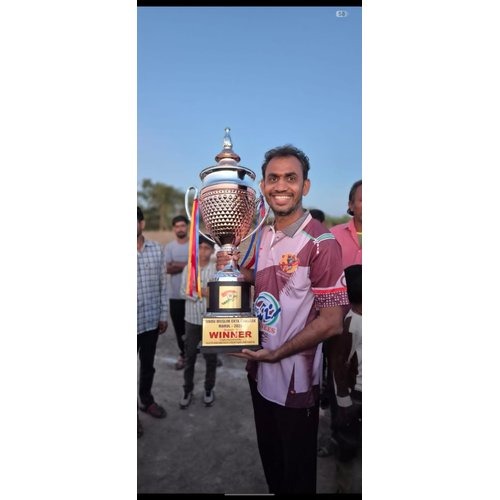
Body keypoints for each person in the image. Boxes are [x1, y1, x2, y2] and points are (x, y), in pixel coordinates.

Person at [216, 145, 348, 494]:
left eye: (291, 178)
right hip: (258, 370)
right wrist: (233, 272)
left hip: (294, 384)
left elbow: (332, 321)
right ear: (262, 186)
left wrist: (277, 353)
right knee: (272, 465)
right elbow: (261, 279)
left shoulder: (321, 242)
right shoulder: (262, 233)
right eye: (273, 178)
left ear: (305, 186)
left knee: (297, 477)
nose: (281, 186)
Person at [318, 179, 362, 457]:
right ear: (350, 204)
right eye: (363, 199)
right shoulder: (332, 235)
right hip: (339, 327)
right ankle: (340, 438)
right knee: (339, 380)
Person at [329, 264, 362, 493]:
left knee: (350, 444)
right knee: (349, 444)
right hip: (356, 394)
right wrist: (344, 401)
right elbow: (339, 365)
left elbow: (339, 364)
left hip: (357, 394)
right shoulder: (351, 323)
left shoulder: (353, 321)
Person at [137, 206, 169, 438]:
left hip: (150, 322)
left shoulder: (157, 250)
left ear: (142, 223)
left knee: (148, 366)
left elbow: (163, 284)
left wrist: (163, 315)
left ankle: (146, 400)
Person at [178, 235, 219, 408]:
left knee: (211, 358)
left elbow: (219, 294)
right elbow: (183, 292)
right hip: (192, 320)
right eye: (200, 247)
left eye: (207, 248)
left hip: (211, 321)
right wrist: (203, 291)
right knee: (190, 357)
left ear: (212, 250)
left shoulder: (216, 270)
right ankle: (187, 390)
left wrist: (196, 290)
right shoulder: (189, 268)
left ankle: (208, 389)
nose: (203, 251)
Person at [163, 215, 190, 370]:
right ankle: (183, 355)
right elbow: (167, 268)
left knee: (198, 326)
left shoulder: (194, 245)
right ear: (174, 229)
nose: (180, 229)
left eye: (182, 225)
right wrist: (188, 265)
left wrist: (176, 265)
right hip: (175, 296)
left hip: (193, 295)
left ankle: (208, 354)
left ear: (187, 227)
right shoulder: (169, 247)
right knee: (180, 328)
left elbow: (199, 266)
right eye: (177, 226)